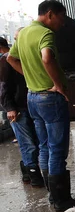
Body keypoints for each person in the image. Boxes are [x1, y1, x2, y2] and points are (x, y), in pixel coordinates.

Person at [7, 0, 75, 211]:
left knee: (45, 146)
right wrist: (57, 85)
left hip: (33, 97)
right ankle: (61, 200)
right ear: (50, 14)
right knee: (57, 149)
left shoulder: (24, 33)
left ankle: (52, 196)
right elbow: (47, 58)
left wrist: (29, 75)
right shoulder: (46, 34)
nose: (61, 23)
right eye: (61, 18)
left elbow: (11, 58)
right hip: (50, 98)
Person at [0, 37, 43, 187]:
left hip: (30, 105)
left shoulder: (26, 57)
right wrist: (10, 108)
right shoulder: (6, 60)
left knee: (36, 143)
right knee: (28, 144)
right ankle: (34, 176)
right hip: (17, 108)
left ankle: (27, 172)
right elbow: (4, 87)